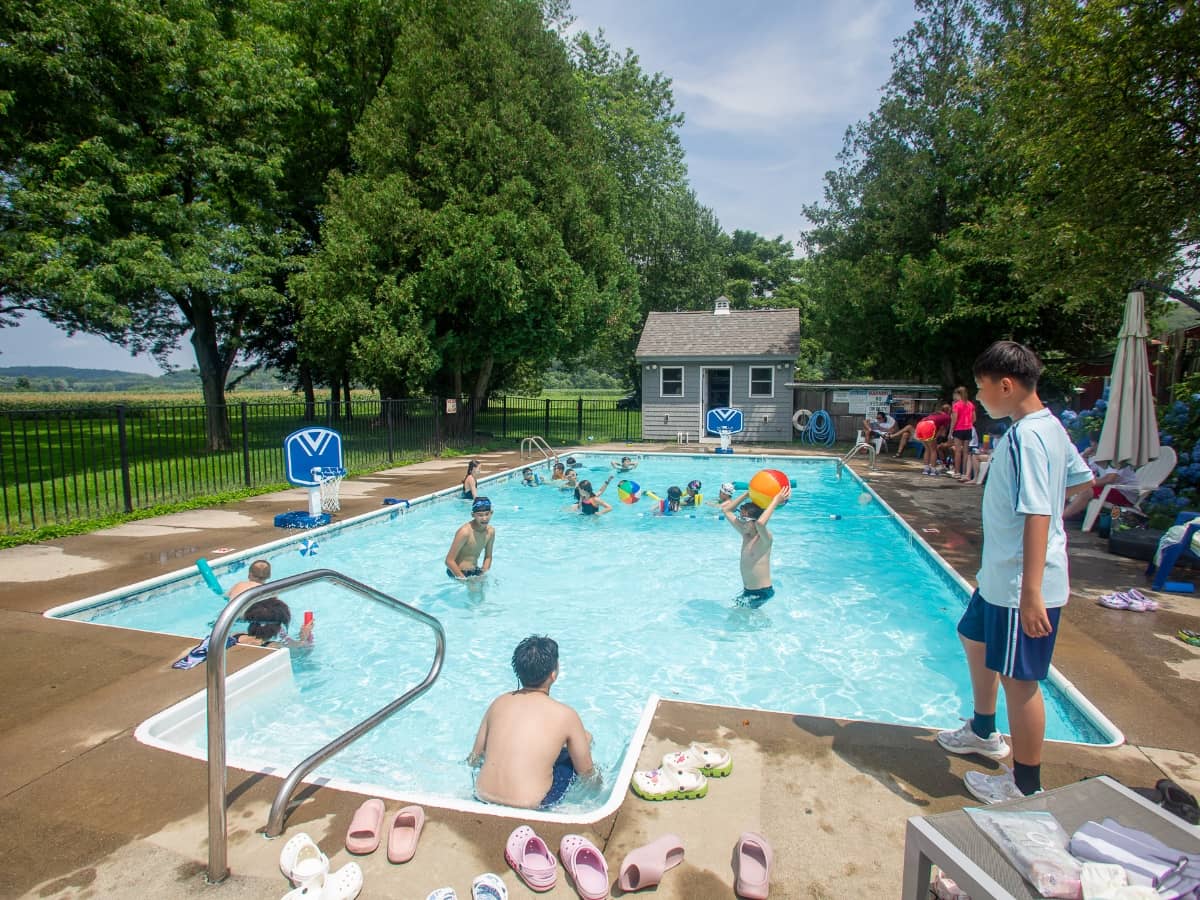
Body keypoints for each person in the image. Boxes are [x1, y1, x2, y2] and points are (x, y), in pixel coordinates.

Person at [935, 341, 1092, 804]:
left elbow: (1039, 512)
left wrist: (1032, 589)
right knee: (974, 637)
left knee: (1021, 681)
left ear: (1006, 385)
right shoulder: (1048, 428)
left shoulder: (1028, 436)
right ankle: (984, 729)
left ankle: (1025, 786)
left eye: (982, 389)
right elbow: (1084, 485)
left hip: (1020, 585)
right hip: (999, 577)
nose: (979, 399)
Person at [467, 635, 599, 809]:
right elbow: (586, 773)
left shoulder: (498, 703)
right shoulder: (566, 715)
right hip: (531, 804)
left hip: (482, 795)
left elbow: (474, 758)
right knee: (585, 741)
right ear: (554, 673)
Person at [722, 483, 791, 607]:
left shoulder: (765, 539)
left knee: (739, 620)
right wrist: (748, 493)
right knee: (734, 620)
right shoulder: (746, 534)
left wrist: (775, 501)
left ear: (754, 522)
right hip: (748, 592)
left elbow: (760, 524)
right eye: (740, 517)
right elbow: (727, 510)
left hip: (762, 593)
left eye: (745, 519)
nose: (741, 522)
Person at [1063, 458, 1139, 519]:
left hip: (1125, 494)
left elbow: (1109, 479)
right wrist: (1085, 456)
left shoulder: (1116, 460)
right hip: (1110, 489)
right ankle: (1061, 512)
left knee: (1086, 491)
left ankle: (1061, 518)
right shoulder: (1098, 459)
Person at [445, 497, 495, 579]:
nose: (484, 518)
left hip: (475, 571)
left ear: (491, 513)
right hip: (457, 572)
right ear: (473, 515)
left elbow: (488, 557)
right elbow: (449, 561)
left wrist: (483, 574)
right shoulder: (465, 532)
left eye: (487, 514)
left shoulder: (490, 532)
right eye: (480, 515)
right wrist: (464, 579)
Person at [234, 597, 314, 647]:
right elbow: (305, 651)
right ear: (279, 627)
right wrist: (305, 637)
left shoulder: (235, 636)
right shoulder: (275, 647)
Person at [951, 387, 977, 478]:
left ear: (958, 394)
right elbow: (974, 418)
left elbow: (954, 419)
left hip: (958, 429)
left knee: (958, 451)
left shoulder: (956, 405)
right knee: (966, 452)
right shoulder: (971, 404)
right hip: (968, 429)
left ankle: (957, 472)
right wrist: (968, 423)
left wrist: (951, 430)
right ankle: (964, 472)